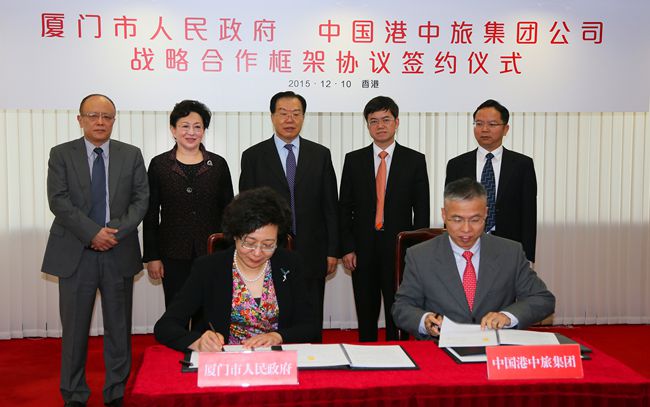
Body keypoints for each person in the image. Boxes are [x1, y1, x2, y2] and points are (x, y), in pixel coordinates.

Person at [41, 94, 149, 407]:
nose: (100, 122)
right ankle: (74, 394)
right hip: (76, 253)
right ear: (80, 119)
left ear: (114, 120)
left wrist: (113, 233)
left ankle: (116, 392)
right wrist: (92, 234)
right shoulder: (61, 154)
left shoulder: (131, 154)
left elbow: (141, 199)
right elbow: (58, 200)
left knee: (119, 329)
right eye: (93, 116)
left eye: (107, 117)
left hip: (118, 250)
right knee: (74, 331)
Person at [154, 187, 320, 351]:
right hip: (226, 359)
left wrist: (278, 336)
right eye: (249, 243)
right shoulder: (208, 268)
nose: (257, 253)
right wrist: (196, 342)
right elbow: (166, 326)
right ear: (235, 235)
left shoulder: (290, 263)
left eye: (268, 245)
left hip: (276, 359)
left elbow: (310, 325)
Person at [392, 178, 554, 339]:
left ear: (486, 213)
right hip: (440, 346)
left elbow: (542, 299)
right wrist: (425, 320)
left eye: (475, 220)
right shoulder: (420, 256)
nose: (466, 229)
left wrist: (507, 317)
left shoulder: (510, 252)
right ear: (444, 215)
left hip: (495, 345)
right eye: (457, 219)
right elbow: (402, 307)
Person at [239, 91, 338, 340]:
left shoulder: (320, 154)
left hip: (312, 250)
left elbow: (330, 206)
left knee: (311, 314)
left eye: (296, 113)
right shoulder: (253, 156)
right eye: (283, 113)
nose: (289, 119)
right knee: (273, 314)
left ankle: (313, 360)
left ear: (303, 117)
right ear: (272, 116)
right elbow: (247, 208)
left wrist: (332, 250)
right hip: (268, 251)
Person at [339, 96, 430, 342]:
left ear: (396, 122)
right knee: (365, 309)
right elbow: (344, 208)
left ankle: (399, 352)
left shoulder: (414, 160)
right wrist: (347, 247)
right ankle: (366, 353)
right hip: (362, 248)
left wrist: (416, 252)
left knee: (398, 308)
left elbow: (421, 210)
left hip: (400, 248)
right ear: (367, 125)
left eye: (386, 120)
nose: (380, 126)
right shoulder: (353, 160)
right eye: (374, 121)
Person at [143, 100, 234, 314]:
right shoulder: (159, 165)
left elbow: (230, 212)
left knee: (209, 312)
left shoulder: (218, 165)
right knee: (177, 311)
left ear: (204, 130)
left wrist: (230, 253)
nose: (191, 132)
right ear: (173, 130)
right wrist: (152, 257)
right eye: (185, 126)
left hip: (212, 253)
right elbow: (150, 214)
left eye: (197, 126)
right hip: (172, 253)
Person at [445, 99, 537, 262]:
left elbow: (529, 213)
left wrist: (527, 256)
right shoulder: (457, 165)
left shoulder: (522, 164)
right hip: (466, 241)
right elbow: (450, 208)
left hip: (509, 243)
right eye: (479, 124)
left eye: (492, 124)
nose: (484, 129)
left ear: (505, 129)